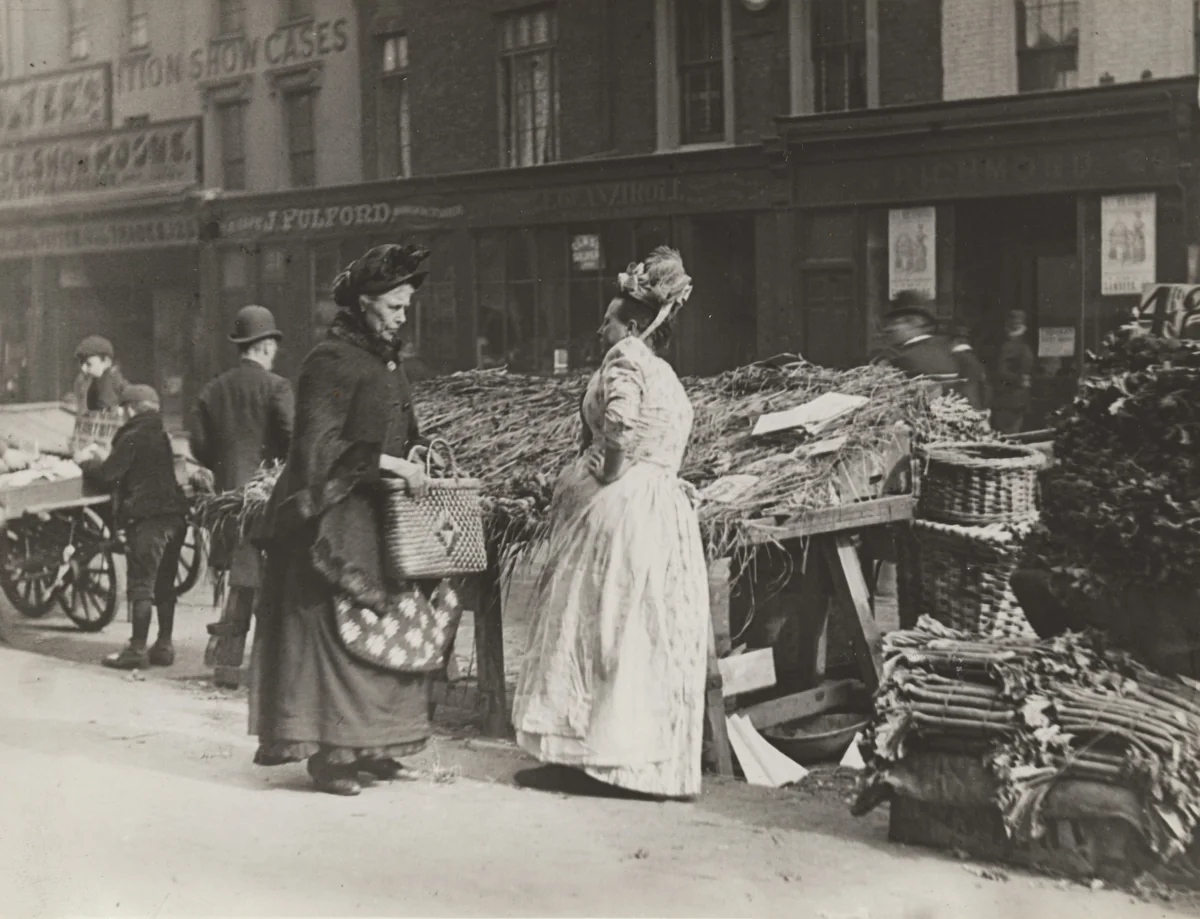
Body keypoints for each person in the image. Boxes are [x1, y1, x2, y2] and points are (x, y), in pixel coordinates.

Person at [249, 243, 461, 797]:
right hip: (329, 522)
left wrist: (415, 456)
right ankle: (333, 758)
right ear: (365, 304)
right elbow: (318, 448)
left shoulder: (387, 363)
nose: (402, 315)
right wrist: (388, 462)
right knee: (335, 641)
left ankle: (379, 747)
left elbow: (403, 431)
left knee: (389, 631)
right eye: (394, 306)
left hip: (380, 518)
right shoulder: (329, 361)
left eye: (406, 305)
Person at [512, 247, 709, 801]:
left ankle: (584, 758)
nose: (602, 328)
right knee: (637, 633)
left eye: (610, 318)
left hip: (620, 510)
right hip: (662, 511)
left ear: (636, 325)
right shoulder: (667, 375)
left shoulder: (626, 356)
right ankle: (636, 762)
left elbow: (620, 422)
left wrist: (610, 467)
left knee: (588, 625)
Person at [189, 305, 295, 689]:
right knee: (269, 584)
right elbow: (293, 439)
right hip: (265, 501)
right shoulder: (277, 387)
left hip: (227, 503)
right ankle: (271, 667)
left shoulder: (212, 389)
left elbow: (199, 445)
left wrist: (222, 465)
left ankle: (228, 662)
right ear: (266, 346)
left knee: (238, 578)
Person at [76, 385, 189, 670]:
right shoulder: (161, 433)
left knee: (141, 585)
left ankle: (137, 650)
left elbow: (107, 474)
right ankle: (163, 646)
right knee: (165, 583)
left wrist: (86, 462)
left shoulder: (132, 435)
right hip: (174, 518)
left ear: (130, 408)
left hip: (147, 519)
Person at [876, 294, 960, 380]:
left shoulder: (901, 359)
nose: (889, 329)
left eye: (896, 323)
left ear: (915, 324)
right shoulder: (952, 347)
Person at [991, 310, 1035, 435]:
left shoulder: (1010, 346)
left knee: (1008, 433)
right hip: (1017, 397)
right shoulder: (1024, 346)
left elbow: (1001, 371)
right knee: (1013, 432)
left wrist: (1020, 379)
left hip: (1008, 398)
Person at [74, 335, 127, 412]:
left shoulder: (109, 381)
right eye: (81, 363)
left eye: (89, 364)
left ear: (106, 361)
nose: (83, 368)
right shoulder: (93, 379)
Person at [950, 323, 990, 412]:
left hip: (960, 406)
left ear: (954, 341)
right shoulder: (976, 359)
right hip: (976, 404)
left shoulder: (953, 358)